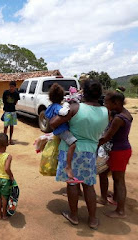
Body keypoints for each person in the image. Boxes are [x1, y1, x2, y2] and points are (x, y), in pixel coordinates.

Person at [50, 79, 108, 230]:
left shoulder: (75, 108)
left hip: (71, 149)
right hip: (90, 151)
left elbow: (53, 123)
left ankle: (74, 216)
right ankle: (93, 219)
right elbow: (103, 134)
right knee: (89, 185)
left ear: (83, 92)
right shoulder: (105, 111)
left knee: (73, 183)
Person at [98, 87, 132, 219]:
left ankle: (120, 211)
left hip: (119, 151)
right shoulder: (125, 113)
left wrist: (94, 145)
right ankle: (111, 198)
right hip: (122, 149)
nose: (105, 105)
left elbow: (107, 137)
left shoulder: (118, 118)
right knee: (107, 174)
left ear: (116, 103)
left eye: (107, 102)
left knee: (119, 180)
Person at [45, 83, 77, 180]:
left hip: (57, 131)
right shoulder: (58, 107)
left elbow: (47, 115)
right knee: (73, 144)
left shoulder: (50, 107)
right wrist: (68, 106)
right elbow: (63, 112)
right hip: (62, 130)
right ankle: (68, 165)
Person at [0, 133, 14, 220]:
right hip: (5, 179)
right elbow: (7, 168)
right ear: (7, 144)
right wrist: (11, 176)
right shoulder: (8, 156)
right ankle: (4, 214)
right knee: (5, 197)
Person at [2, 81, 20, 145]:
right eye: (10, 86)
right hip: (7, 111)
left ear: (15, 87)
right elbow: (4, 101)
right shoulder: (5, 93)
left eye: (12, 87)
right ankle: (4, 140)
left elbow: (16, 101)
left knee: (12, 126)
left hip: (13, 111)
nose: (11, 88)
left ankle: (10, 140)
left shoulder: (16, 94)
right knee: (5, 126)